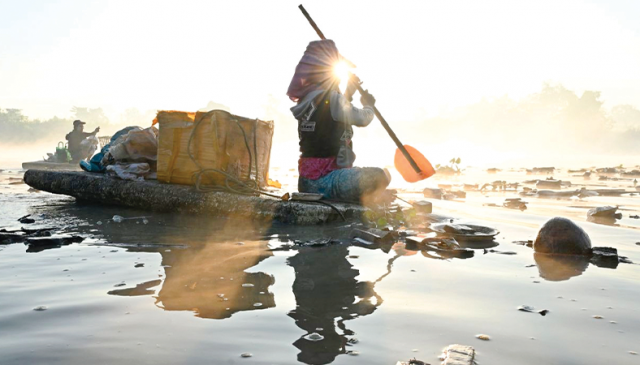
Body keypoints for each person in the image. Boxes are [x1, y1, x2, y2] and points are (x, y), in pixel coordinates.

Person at [287, 40, 391, 204]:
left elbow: (336, 114)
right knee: (381, 175)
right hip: (326, 181)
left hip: (306, 182)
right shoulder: (332, 99)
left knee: (369, 177)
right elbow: (361, 118)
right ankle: (365, 197)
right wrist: (369, 105)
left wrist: (348, 93)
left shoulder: (306, 99)